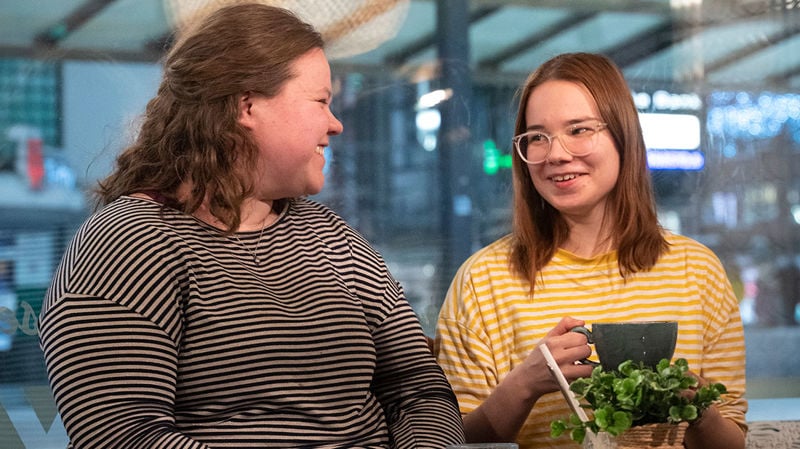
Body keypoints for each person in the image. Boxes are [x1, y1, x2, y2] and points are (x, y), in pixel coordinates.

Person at [38, 4, 464, 448]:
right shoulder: (131, 242)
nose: (335, 124)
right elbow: (122, 436)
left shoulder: (333, 236)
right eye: (321, 101)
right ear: (247, 105)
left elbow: (420, 388)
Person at [434, 52, 746, 449]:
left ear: (622, 135)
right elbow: (449, 439)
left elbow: (734, 439)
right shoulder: (483, 281)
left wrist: (699, 407)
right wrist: (526, 382)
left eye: (579, 130)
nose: (557, 153)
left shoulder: (697, 271)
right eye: (537, 137)